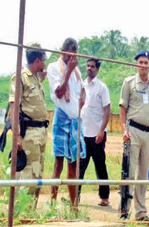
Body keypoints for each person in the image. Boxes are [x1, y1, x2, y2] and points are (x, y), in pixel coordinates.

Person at [120, 50, 149, 221]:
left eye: (146, 62)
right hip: (133, 131)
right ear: (136, 64)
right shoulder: (129, 83)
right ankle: (124, 210)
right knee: (129, 171)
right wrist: (124, 130)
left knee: (143, 174)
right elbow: (122, 109)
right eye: (140, 62)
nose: (143, 65)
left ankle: (141, 212)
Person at [46, 37, 85, 209]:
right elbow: (59, 93)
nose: (72, 58)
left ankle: (73, 206)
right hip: (61, 118)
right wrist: (68, 71)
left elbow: (81, 93)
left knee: (74, 164)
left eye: (75, 54)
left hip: (75, 120)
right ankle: (52, 204)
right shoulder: (54, 68)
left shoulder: (78, 72)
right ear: (62, 52)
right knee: (58, 162)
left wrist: (82, 102)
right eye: (69, 54)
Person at [8, 44, 50, 195]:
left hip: (41, 132)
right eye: (43, 60)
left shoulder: (36, 79)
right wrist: (17, 136)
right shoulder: (20, 77)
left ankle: (31, 213)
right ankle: (25, 214)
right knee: (29, 175)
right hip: (29, 133)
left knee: (38, 174)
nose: (44, 64)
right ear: (38, 60)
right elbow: (14, 107)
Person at [78, 58, 111, 206]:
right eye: (88, 66)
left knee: (100, 165)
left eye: (92, 66)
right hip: (83, 134)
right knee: (80, 166)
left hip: (97, 134)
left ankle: (104, 197)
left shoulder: (102, 87)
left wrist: (101, 131)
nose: (90, 68)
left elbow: (107, 110)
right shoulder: (81, 85)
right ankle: (75, 197)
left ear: (97, 69)